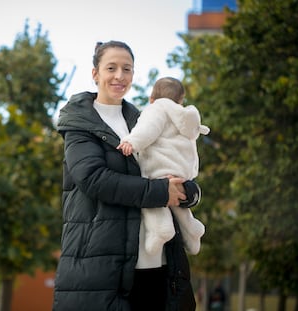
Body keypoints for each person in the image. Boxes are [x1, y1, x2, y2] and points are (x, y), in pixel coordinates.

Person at [52, 40, 200, 311]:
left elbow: (177, 163)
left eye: (127, 69)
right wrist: (160, 192)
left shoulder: (145, 120)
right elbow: (94, 179)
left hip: (160, 265)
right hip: (104, 267)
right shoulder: (80, 125)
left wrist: (189, 193)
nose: (120, 76)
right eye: (111, 68)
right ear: (95, 74)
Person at [117, 77, 209, 261]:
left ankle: (161, 230)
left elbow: (147, 129)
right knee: (177, 202)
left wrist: (131, 142)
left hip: (159, 168)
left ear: (152, 98)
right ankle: (192, 229)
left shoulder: (156, 109)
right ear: (180, 100)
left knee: (151, 195)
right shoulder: (184, 118)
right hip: (182, 171)